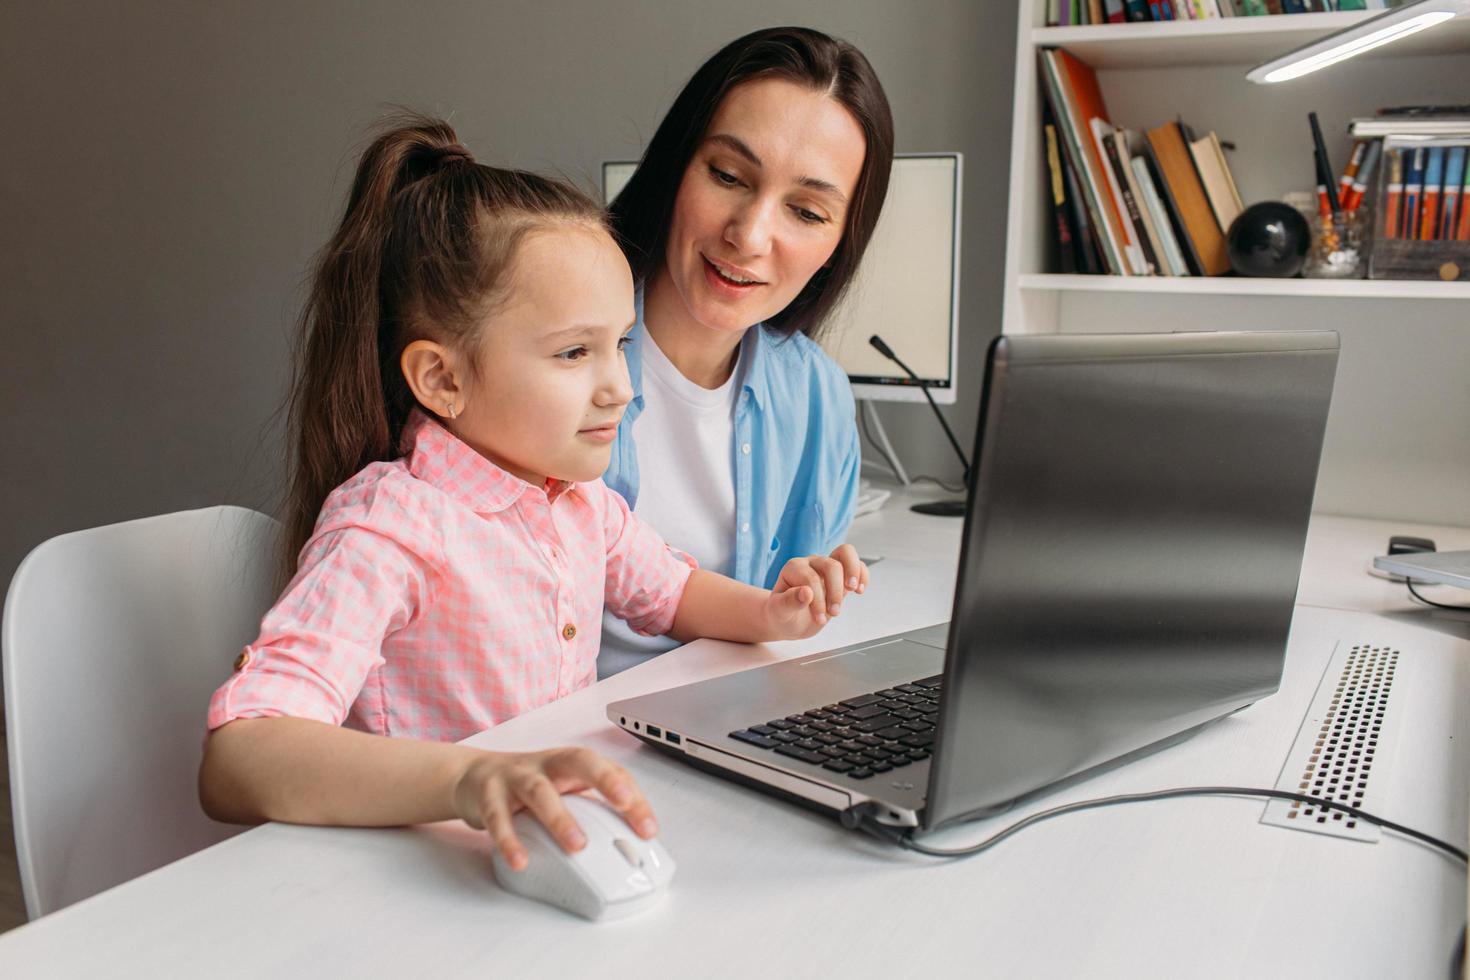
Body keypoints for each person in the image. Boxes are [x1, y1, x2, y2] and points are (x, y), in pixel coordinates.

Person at [198, 114, 868, 871]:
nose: (619, 387)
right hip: (415, 868)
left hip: (549, 846)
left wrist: (772, 611)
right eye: (574, 352)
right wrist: (472, 777)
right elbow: (241, 753)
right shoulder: (391, 527)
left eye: (619, 344)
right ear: (442, 379)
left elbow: (672, 592)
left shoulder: (577, 503)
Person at [599, 26, 895, 678]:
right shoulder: (549, 350)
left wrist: (805, 594)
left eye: (808, 212)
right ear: (677, 165)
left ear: (840, 243)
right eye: (729, 175)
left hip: (714, 729)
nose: (750, 235)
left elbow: (770, 640)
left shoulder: (818, 398)